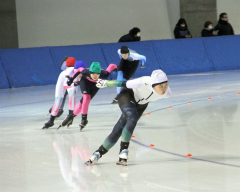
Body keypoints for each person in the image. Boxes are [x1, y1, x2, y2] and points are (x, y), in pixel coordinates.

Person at [84, 69, 172, 166]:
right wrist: (106, 83)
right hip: (127, 95)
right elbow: (123, 83)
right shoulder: (143, 82)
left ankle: (98, 153)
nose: (164, 89)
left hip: (141, 105)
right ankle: (124, 150)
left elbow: (164, 90)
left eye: (166, 85)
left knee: (120, 127)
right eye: (160, 86)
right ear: (153, 85)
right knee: (132, 117)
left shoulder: (167, 93)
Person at [58, 62, 118, 130]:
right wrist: (71, 79)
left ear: (100, 73)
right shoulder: (85, 72)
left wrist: (117, 67)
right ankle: (84, 119)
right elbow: (79, 69)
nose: (95, 76)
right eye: (93, 74)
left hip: (95, 85)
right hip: (85, 82)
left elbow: (112, 65)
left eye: (97, 74)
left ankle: (70, 117)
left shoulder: (104, 74)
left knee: (82, 103)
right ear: (90, 72)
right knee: (86, 98)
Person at [42, 58, 86, 129]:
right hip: (64, 81)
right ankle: (55, 119)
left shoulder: (82, 72)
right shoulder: (68, 73)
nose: (80, 74)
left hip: (69, 81)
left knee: (61, 100)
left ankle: (53, 120)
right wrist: (75, 84)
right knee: (65, 98)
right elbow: (65, 85)